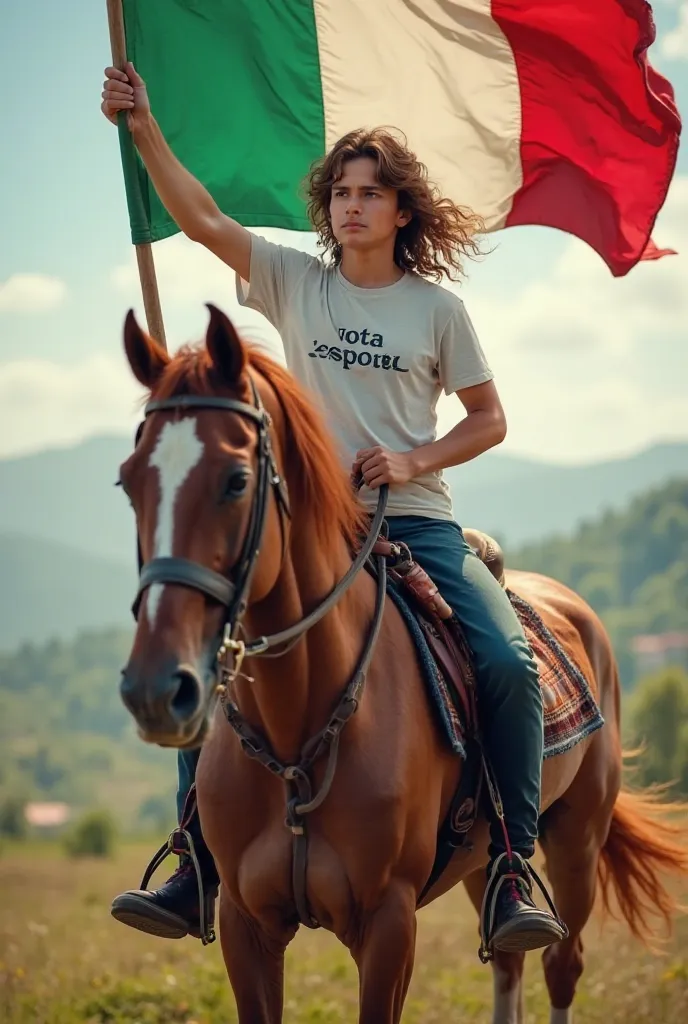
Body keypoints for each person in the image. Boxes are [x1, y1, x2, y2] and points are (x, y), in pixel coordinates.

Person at [102, 62, 566, 956]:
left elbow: (490, 419)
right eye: (342, 192)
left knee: (508, 661)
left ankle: (510, 862)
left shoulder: (438, 310)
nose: (352, 207)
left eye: (372, 194)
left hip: (419, 523)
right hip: (315, 527)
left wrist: (412, 460)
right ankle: (198, 860)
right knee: (219, 657)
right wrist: (142, 125)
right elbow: (201, 220)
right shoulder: (293, 280)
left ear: (402, 213)